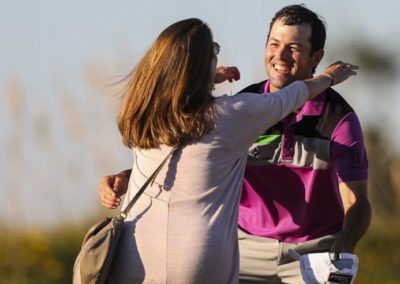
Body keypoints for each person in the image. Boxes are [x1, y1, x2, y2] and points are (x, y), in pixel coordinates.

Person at [98, 16, 358, 283]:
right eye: (214, 52)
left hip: (133, 255)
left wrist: (124, 176)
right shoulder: (231, 115)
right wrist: (329, 76)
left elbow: (181, 152)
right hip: (198, 259)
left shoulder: (143, 111)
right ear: (201, 64)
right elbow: (291, 96)